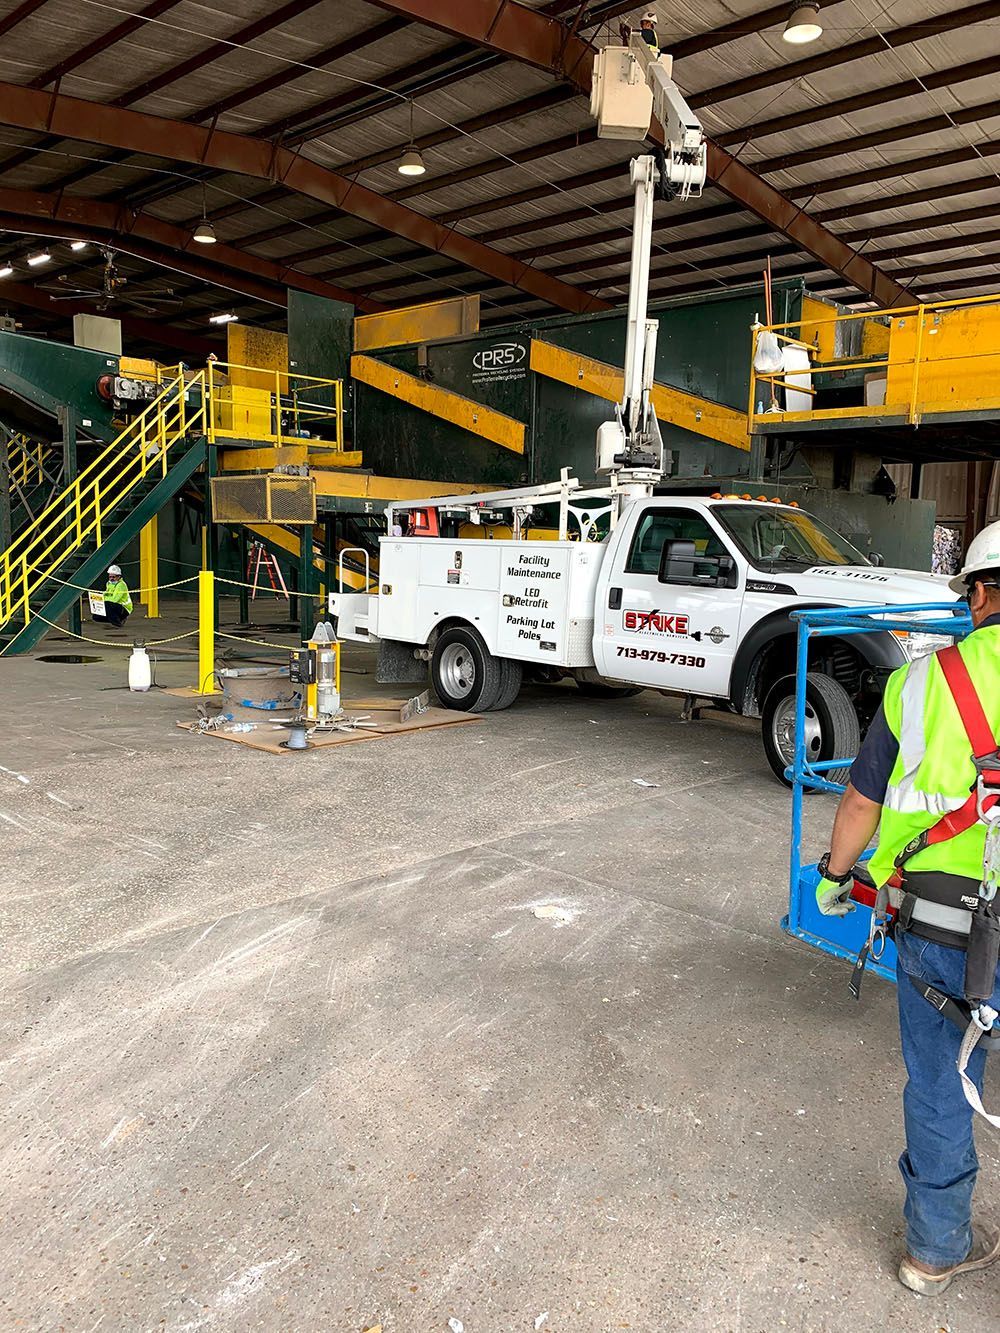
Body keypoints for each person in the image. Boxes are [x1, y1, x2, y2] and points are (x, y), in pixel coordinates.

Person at [814, 520, 1000, 1296]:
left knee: (939, 1080)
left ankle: (935, 1246)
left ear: (982, 592)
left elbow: (861, 801)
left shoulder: (921, 682)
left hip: (940, 926)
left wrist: (834, 874)